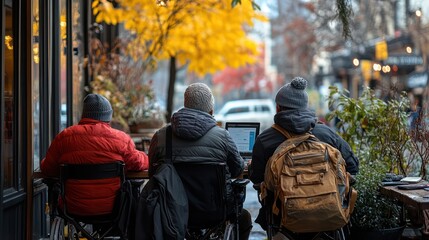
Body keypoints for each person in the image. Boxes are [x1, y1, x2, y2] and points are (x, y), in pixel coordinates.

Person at [248, 77, 359, 239]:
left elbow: (256, 178)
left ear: (278, 108)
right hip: (328, 213)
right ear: (305, 107)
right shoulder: (326, 134)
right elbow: (353, 166)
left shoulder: (266, 140)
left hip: (284, 218)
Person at [148, 83, 252, 240]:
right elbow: (237, 170)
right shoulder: (222, 136)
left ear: (185, 105)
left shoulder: (161, 137)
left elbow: (152, 173)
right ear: (211, 111)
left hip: (170, 211)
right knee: (244, 218)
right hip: (214, 212)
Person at [41, 93, 149, 216]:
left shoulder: (64, 137)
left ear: (84, 114)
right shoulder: (120, 139)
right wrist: (148, 157)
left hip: (73, 207)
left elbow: (47, 169)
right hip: (114, 208)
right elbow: (138, 163)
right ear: (108, 115)